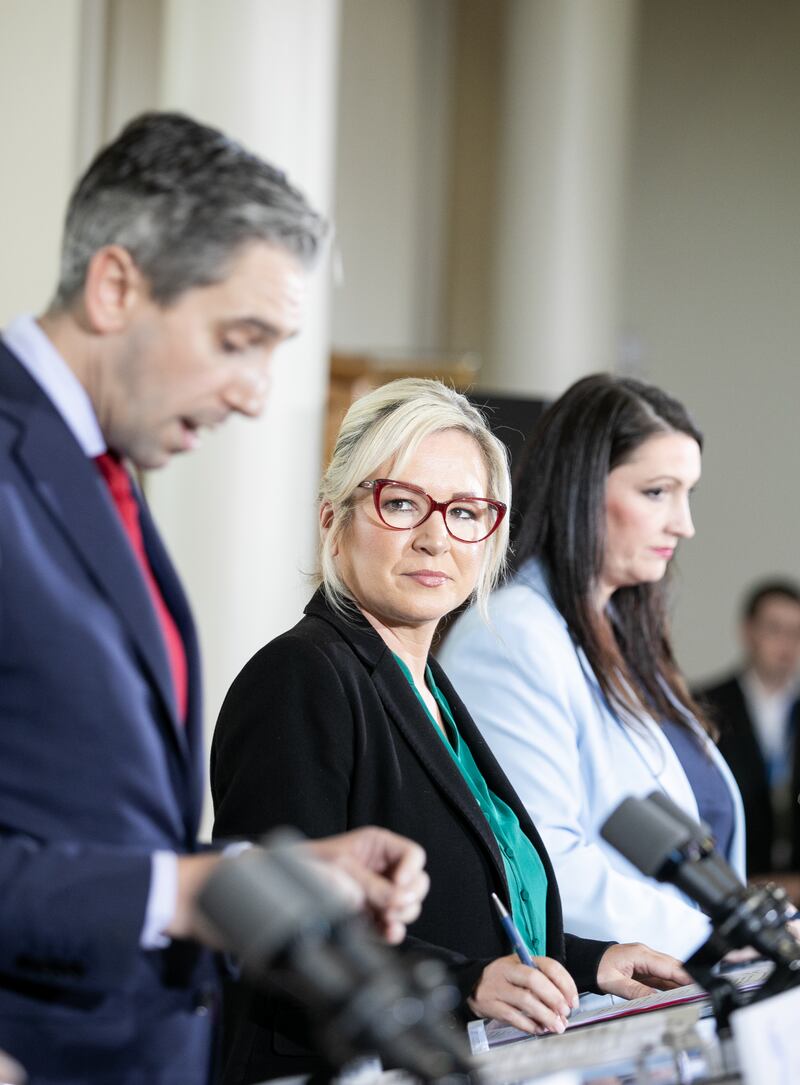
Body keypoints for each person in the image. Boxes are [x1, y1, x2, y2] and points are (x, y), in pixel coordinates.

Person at [0, 111, 428, 1085]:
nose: (256, 392)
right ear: (116, 286)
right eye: (240, 339)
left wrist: (263, 875)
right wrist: (188, 890)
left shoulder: (96, 474)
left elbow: (98, 827)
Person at [211, 378, 687, 1085]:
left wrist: (591, 960)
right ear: (333, 518)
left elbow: (474, 914)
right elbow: (277, 924)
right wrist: (461, 980)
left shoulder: (431, 684)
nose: (436, 536)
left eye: (466, 511)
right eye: (401, 503)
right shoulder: (302, 675)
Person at [440, 374, 746, 961]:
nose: (684, 523)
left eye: (688, 494)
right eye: (657, 492)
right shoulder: (509, 637)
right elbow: (542, 861)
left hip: (679, 993)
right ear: (581, 489)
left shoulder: (623, 636)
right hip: (594, 998)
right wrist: (716, 940)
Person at [696, 580, 800, 880]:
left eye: (795, 632)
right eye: (774, 629)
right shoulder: (704, 707)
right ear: (748, 631)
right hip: (730, 880)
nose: (786, 643)